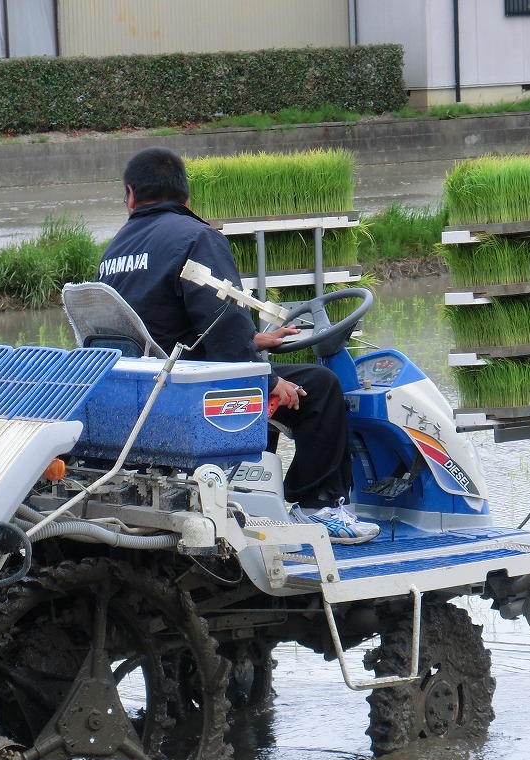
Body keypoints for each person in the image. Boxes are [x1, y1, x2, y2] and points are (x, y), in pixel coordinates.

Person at [98, 146, 379, 545]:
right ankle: (317, 506)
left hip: (148, 387)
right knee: (320, 389)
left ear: (130, 194)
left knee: (278, 379)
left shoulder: (116, 250)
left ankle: (254, 493)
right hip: (194, 388)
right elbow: (225, 328)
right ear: (185, 196)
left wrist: (257, 341)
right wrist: (266, 378)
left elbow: (164, 325)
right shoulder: (196, 237)